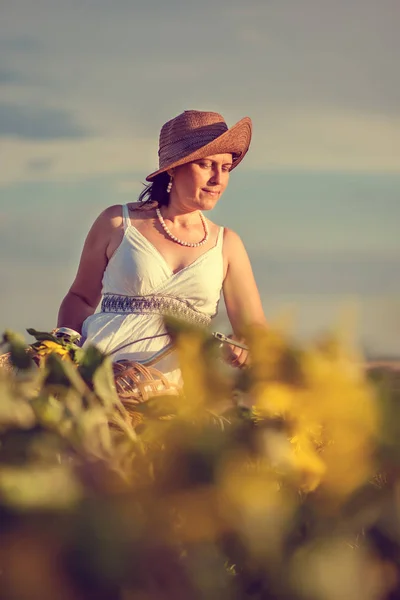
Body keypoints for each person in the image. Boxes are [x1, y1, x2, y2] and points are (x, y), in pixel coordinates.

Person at [57, 110, 267, 386]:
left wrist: (242, 348)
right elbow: (81, 298)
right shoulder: (118, 222)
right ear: (172, 167)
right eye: (206, 165)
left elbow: (255, 333)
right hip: (103, 383)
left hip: (184, 393)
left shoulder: (227, 244)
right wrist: (61, 355)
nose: (218, 178)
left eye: (225, 168)